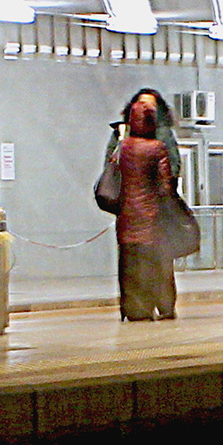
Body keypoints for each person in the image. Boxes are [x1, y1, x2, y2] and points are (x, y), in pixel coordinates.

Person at [95, 90, 184, 323]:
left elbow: (111, 170)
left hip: (129, 214)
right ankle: (157, 307)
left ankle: (137, 309)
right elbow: (170, 175)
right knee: (156, 262)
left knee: (133, 262)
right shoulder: (150, 142)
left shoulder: (126, 140)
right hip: (153, 214)